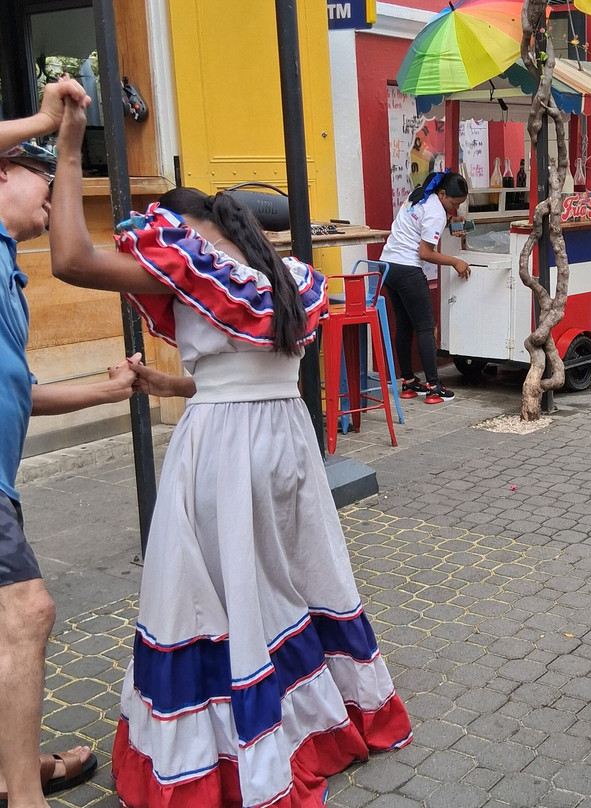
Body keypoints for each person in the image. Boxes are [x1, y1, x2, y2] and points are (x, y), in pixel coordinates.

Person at [48, 98, 413, 808]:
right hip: (286, 448)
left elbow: (69, 258)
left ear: (184, 226)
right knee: (287, 583)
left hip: (222, 452)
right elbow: (248, 374)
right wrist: (176, 382)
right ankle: (319, 720)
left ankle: (235, 753)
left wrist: (67, 148)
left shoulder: (187, 263)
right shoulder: (282, 274)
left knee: (208, 598)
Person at [0, 78, 139, 808]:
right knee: (27, 614)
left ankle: (13, 771)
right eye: (42, 183)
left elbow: (23, 392)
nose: (55, 202)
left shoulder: (8, 275)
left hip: (4, 484)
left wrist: (111, 391)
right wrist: (51, 122)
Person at [380, 170, 470, 404]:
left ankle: (408, 383)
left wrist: (452, 219)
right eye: (453, 203)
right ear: (442, 194)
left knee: (404, 324)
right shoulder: (436, 212)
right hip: (408, 269)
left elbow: (419, 226)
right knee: (425, 327)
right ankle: (434, 387)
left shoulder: (418, 196)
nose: (454, 208)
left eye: (459, 205)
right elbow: (425, 253)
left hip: (387, 265)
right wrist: (455, 262)